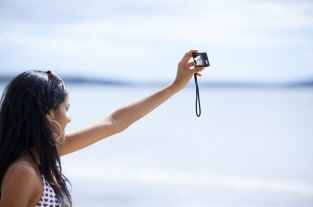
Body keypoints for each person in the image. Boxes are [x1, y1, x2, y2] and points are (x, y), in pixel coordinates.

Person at [0, 49, 205, 207]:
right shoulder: (24, 171)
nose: (70, 119)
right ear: (49, 113)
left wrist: (176, 85)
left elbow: (116, 122)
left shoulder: (43, 153)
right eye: (66, 109)